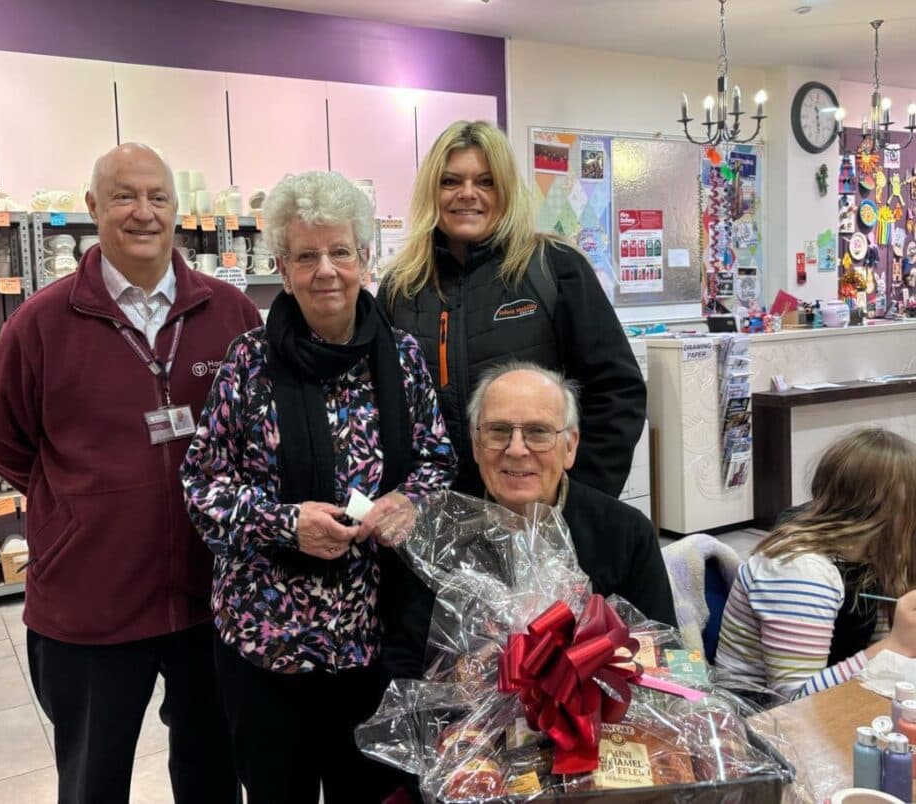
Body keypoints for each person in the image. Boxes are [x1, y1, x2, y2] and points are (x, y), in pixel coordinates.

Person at [0, 143, 258, 804]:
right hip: (89, 604)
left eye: (157, 197)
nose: (143, 212)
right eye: (124, 196)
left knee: (214, 775)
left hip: (211, 596)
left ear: (177, 209)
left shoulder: (230, 313)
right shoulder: (41, 322)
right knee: (92, 782)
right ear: (93, 206)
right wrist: (79, 510)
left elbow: (255, 435)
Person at [181, 170, 456, 804]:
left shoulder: (402, 357)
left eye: (340, 251)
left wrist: (408, 500)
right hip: (266, 645)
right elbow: (202, 485)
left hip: (376, 641)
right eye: (306, 256)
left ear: (366, 258)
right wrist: (286, 524)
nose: (326, 270)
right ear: (282, 268)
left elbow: (438, 460)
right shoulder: (247, 362)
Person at [377, 120, 645, 499]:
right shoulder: (400, 288)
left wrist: (578, 500)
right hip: (433, 512)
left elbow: (617, 392)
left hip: (533, 507)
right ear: (431, 191)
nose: (467, 194)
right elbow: (379, 407)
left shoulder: (553, 268)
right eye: (450, 181)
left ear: (505, 190)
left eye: (485, 182)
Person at [468, 361, 676, 627]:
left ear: (570, 447)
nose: (516, 449)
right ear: (476, 445)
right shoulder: (444, 536)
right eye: (498, 430)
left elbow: (663, 645)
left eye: (538, 432)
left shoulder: (627, 534)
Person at [715, 427, 916, 701]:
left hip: (828, 705)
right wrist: (896, 645)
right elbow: (793, 700)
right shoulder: (799, 570)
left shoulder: (871, 557)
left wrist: (896, 641)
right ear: (881, 512)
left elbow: (873, 656)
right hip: (758, 716)